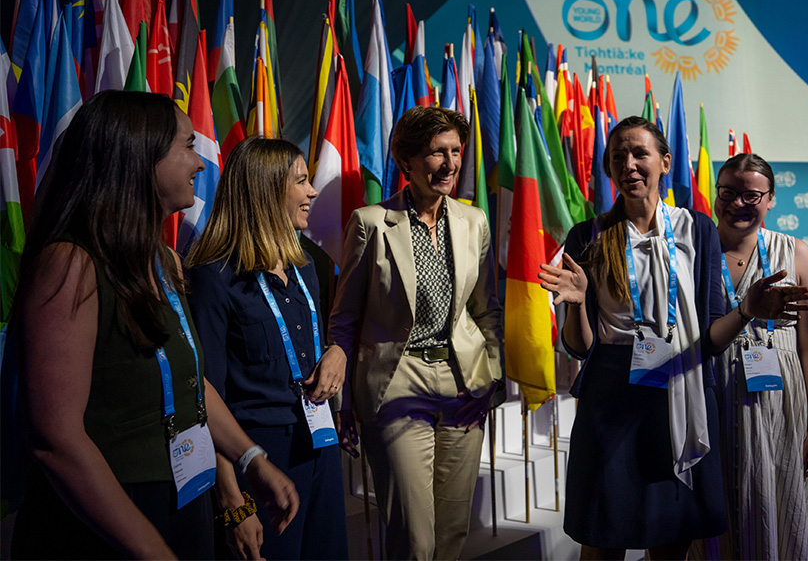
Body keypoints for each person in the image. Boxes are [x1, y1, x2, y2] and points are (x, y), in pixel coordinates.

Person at [9, 91, 298, 560]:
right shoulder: (69, 264)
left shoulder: (165, 261)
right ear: (139, 156)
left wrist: (251, 459)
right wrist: (152, 550)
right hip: (105, 520)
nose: (200, 162)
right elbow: (56, 439)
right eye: (187, 146)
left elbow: (190, 381)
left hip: (183, 501)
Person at [538, 117, 808, 560]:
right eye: (618, 156)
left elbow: (711, 338)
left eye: (639, 154)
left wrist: (747, 311)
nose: (629, 164)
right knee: (604, 540)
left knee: (673, 542)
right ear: (608, 168)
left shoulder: (697, 230)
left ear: (664, 163)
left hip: (682, 393)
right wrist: (578, 302)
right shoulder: (587, 236)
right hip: (611, 400)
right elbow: (581, 347)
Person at [322, 106, 505, 560]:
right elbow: (344, 317)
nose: (449, 163)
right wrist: (342, 403)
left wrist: (494, 374)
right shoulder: (370, 223)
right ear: (406, 162)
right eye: (435, 152)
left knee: (451, 535)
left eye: (455, 151)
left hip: (465, 381)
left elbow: (487, 308)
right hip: (396, 383)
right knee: (413, 540)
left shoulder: (474, 221)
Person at [185, 137, 348, 561]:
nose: (313, 192)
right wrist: (233, 501)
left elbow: (305, 344)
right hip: (259, 458)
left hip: (320, 445)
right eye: (300, 181)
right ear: (266, 190)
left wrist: (336, 352)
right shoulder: (214, 276)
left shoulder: (304, 263)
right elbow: (204, 397)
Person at [691, 154, 808, 560]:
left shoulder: (796, 254)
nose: (739, 203)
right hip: (710, 404)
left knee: (780, 513)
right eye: (729, 193)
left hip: (779, 412)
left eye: (751, 195)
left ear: (770, 199)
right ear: (715, 196)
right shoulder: (692, 252)